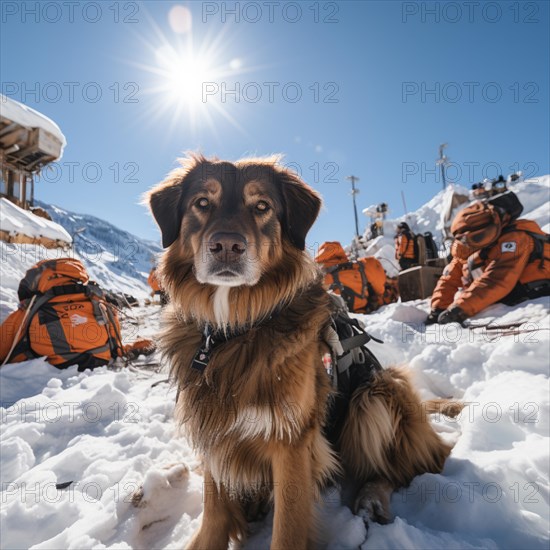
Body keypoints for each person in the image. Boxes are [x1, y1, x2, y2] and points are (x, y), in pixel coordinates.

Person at [426, 199, 550, 324]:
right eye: (473, 239)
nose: (476, 242)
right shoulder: (467, 246)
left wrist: (460, 309)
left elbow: (497, 279)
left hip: (537, 297)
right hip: (501, 302)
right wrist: (438, 309)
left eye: (480, 237)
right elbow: (449, 279)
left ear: (494, 226)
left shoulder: (516, 238)